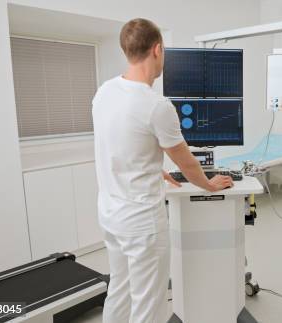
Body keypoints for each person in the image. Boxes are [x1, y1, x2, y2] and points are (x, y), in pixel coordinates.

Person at [92, 18, 234, 323]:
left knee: (119, 288)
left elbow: (118, 145)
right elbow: (187, 162)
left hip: (110, 214)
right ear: (157, 50)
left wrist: (152, 170)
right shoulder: (156, 106)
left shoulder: (103, 93)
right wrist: (209, 185)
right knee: (149, 304)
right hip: (141, 222)